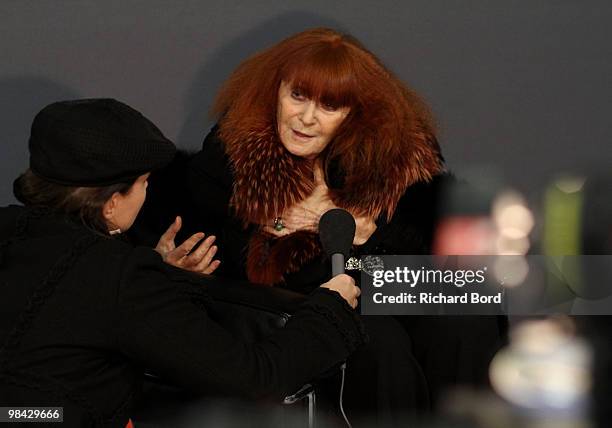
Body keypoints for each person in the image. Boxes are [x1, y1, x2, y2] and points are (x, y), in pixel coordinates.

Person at [135, 28, 504, 423]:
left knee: (468, 315)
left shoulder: (391, 163)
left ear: (355, 114)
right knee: (378, 340)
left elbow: (421, 251)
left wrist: (367, 236)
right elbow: (222, 253)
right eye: (297, 96)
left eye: (329, 106)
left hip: (374, 279)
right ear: (276, 91)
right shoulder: (233, 153)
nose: (306, 118)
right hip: (291, 299)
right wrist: (278, 227)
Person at [0, 98, 365, 427]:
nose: (309, 116)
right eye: (143, 182)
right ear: (111, 202)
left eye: (329, 104)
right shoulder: (121, 273)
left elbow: (70, 310)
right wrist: (328, 310)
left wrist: (158, 278)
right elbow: (255, 378)